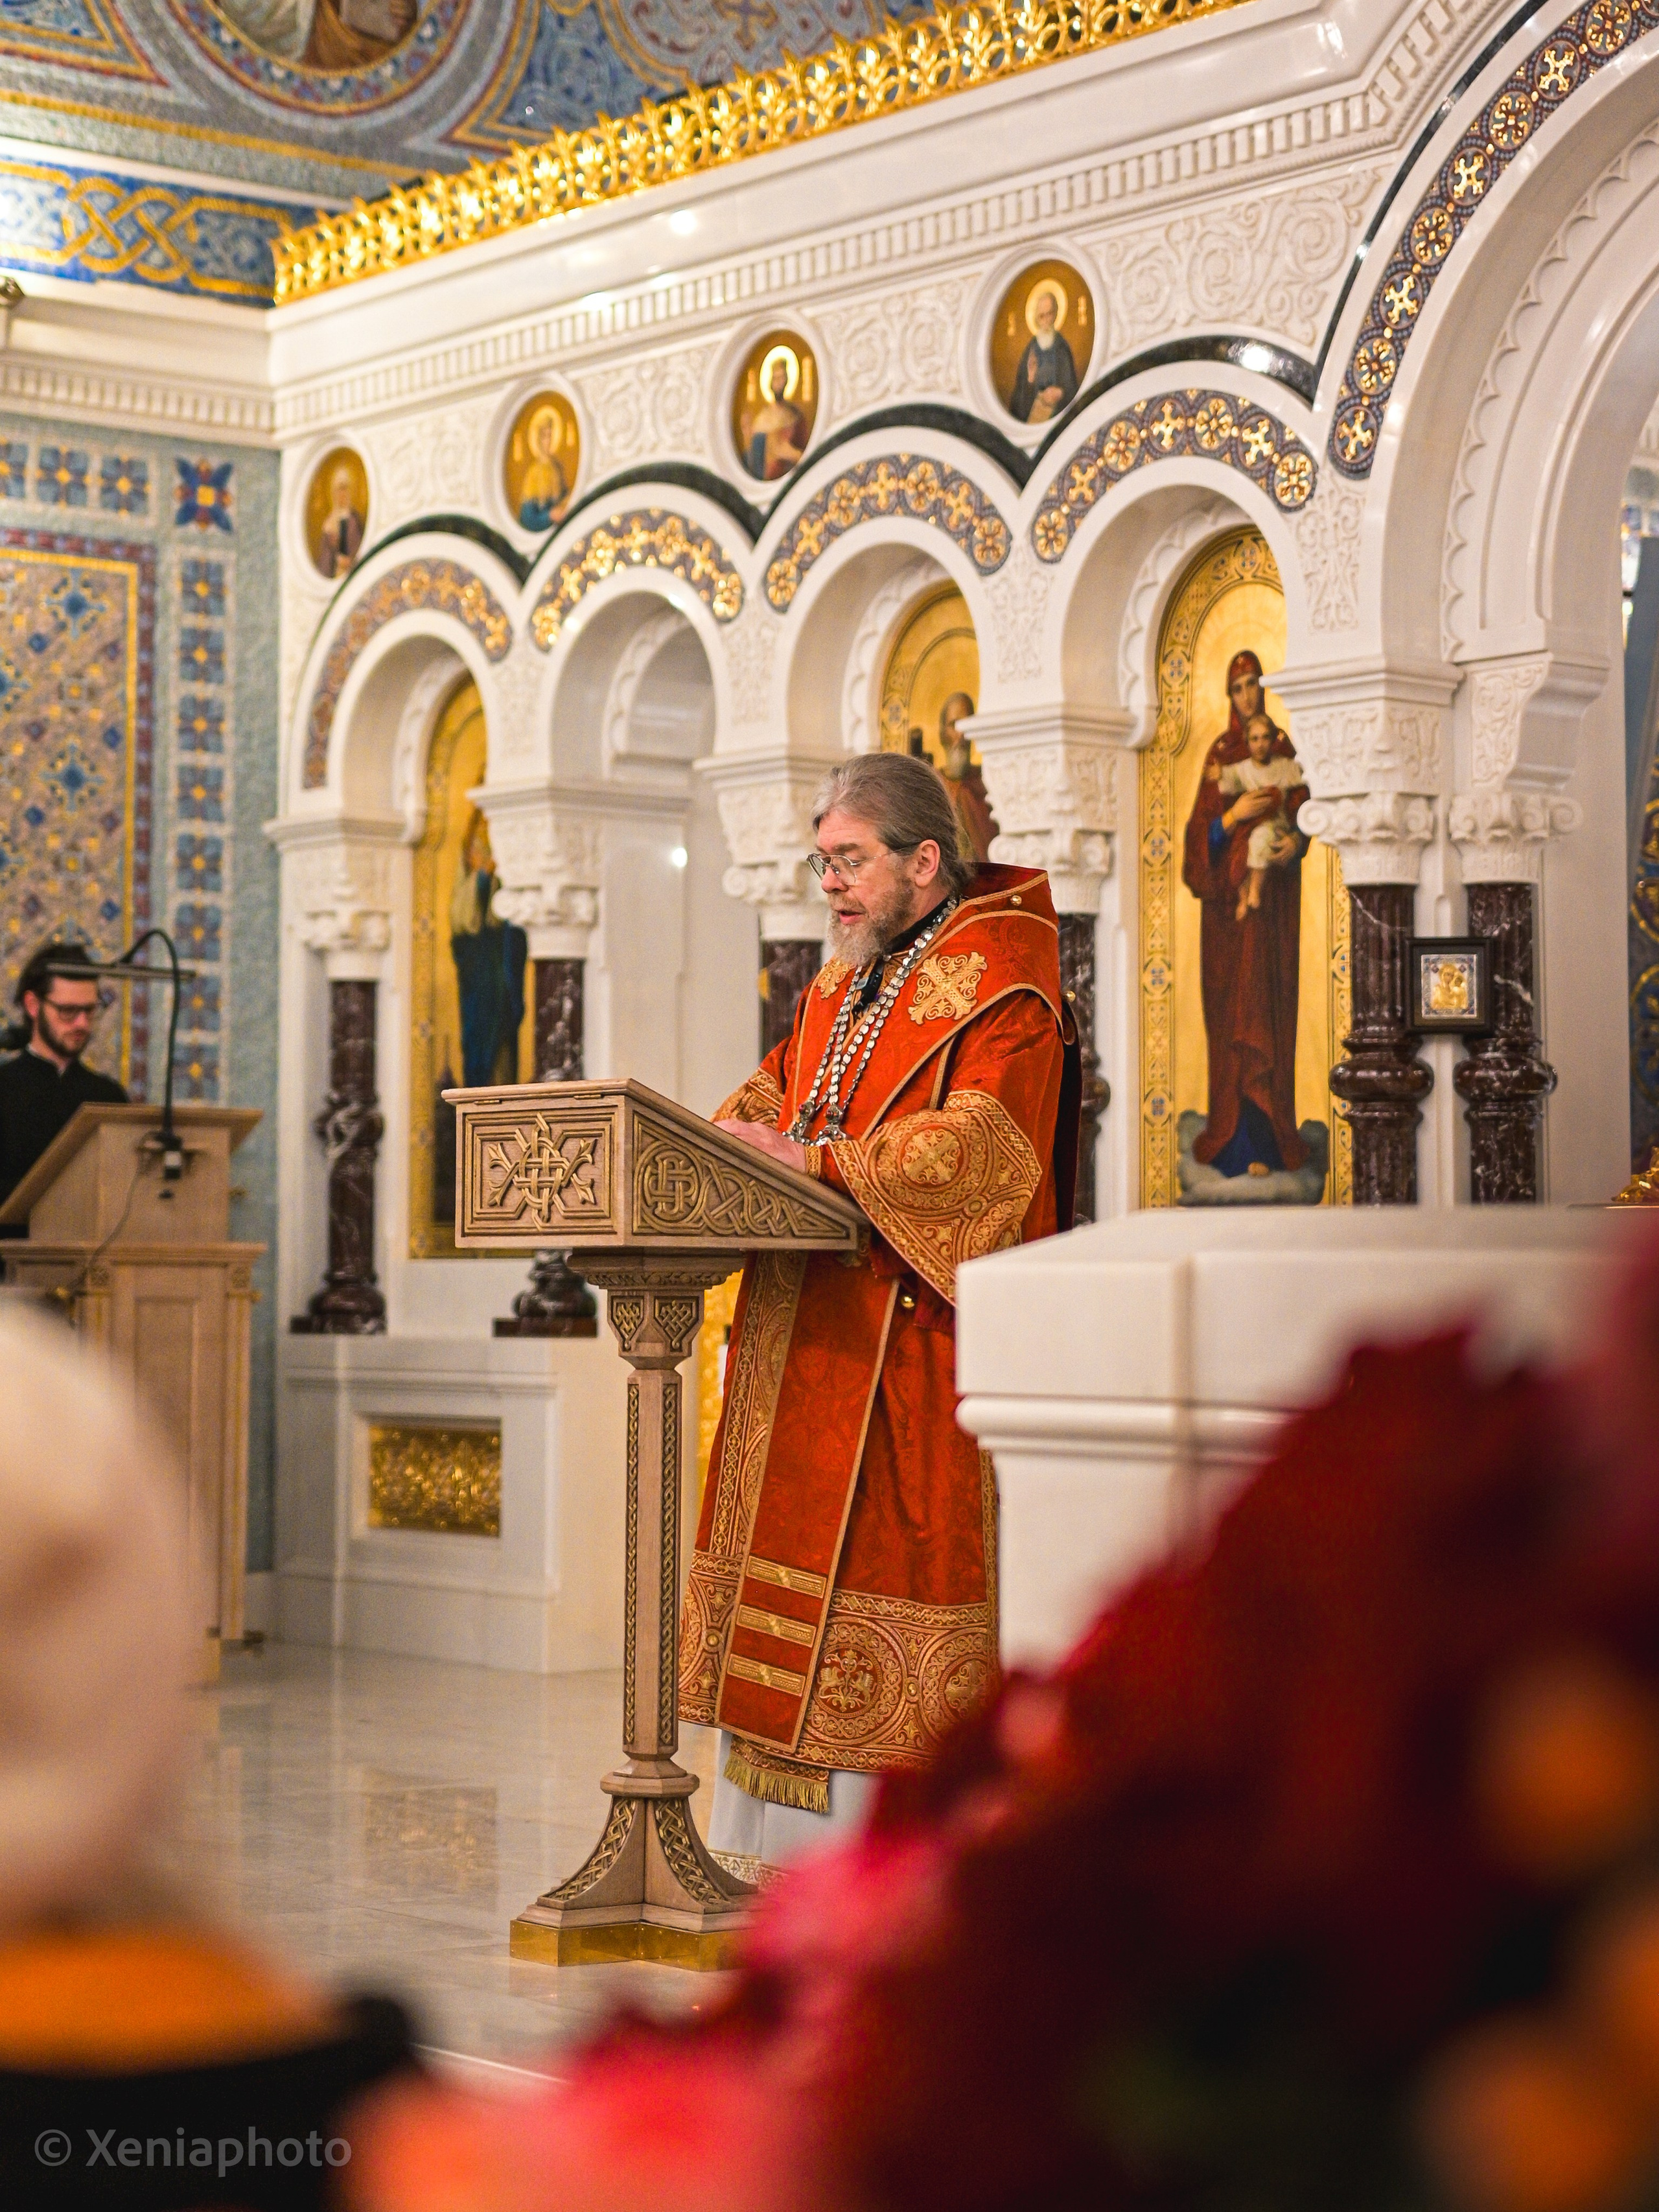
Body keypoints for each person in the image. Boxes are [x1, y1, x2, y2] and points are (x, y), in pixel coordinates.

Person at [679, 751, 1080, 1872]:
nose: (832, 884)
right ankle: (779, 1864)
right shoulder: (845, 983)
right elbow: (771, 1096)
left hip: (907, 1344)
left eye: (849, 861)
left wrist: (817, 1159)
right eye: (823, 862)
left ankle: (889, 1867)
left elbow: (988, 1154)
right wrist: (714, 1143)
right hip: (804, 1324)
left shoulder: (1004, 982)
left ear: (924, 859)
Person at [1181, 650, 1308, 1180]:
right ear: (1229, 695)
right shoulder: (1221, 757)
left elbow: (1306, 814)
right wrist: (1232, 816)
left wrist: (1296, 844)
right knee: (1232, 1018)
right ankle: (1234, 1143)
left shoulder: (1284, 754)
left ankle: (1275, 1139)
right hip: (1226, 924)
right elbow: (1198, 841)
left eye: (1254, 684)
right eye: (1237, 687)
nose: (1247, 694)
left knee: (1271, 1014)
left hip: (1273, 914)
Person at [0, 942, 126, 1223]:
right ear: (33, 1005)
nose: (82, 1024)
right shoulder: (4, 1089)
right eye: (68, 1011)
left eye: (90, 1011)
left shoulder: (109, 1097)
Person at [449, 813, 526, 1089]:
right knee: (479, 1046)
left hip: (501, 983)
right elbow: (464, 929)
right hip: (477, 988)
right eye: (476, 851)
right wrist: (482, 880)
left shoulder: (507, 892)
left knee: (504, 1043)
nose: (480, 858)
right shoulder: (465, 892)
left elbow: (512, 930)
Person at [1214, 710, 1305, 919]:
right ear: (1247, 743)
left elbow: (1303, 776)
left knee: (1260, 839)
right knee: (1241, 852)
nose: (1260, 744)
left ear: (1273, 740)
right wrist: (1219, 774)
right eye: (1254, 739)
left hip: (1275, 823)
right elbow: (1229, 778)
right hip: (1249, 822)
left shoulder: (1283, 766)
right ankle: (1244, 892)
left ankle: (1254, 889)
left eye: (1265, 738)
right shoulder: (1244, 769)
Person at [937, 690, 1000, 863]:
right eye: (954, 724)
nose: (961, 734)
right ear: (942, 733)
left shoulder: (986, 780)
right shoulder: (932, 786)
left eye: (967, 724)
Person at [1007, 285, 1078, 425]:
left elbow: (1072, 387)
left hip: (1059, 414)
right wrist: (1030, 380)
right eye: (1042, 316)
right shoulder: (1030, 350)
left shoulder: (1062, 347)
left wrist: (1061, 393)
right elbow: (1019, 399)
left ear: (1056, 314)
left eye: (1050, 314)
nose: (1046, 320)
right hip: (1036, 413)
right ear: (1037, 318)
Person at [742, 353, 808, 481]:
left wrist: (794, 455)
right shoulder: (761, 418)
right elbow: (752, 459)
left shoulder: (796, 416)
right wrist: (747, 434)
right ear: (770, 382)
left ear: (788, 380)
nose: (779, 383)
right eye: (776, 378)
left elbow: (804, 452)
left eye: (782, 377)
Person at [515, 403, 570, 531]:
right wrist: (549, 516)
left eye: (551, 435)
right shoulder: (533, 473)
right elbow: (528, 517)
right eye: (545, 436)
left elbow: (565, 496)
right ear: (538, 439)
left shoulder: (558, 468)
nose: (549, 440)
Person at [317, 460, 364, 579]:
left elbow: (358, 545)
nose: (342, 495)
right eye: (339, 490)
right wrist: (332, 547)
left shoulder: (353, 519)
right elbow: (324, 561)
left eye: (345, 490)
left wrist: (351, 559)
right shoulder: (329, 523)